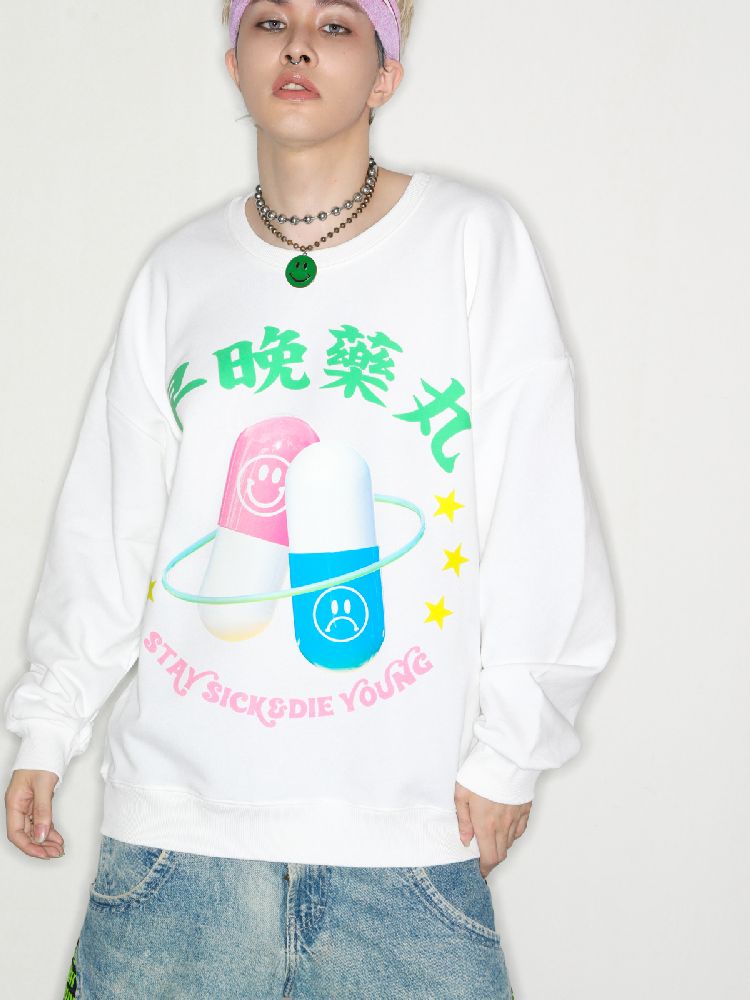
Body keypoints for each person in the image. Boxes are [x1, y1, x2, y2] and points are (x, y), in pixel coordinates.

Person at [3, 1, 617, 997]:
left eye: (336, 24)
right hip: (174, 846)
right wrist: (51, 719)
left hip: (403, 851)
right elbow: (110, 520)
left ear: (386, 74)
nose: (296, 43)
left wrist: (513, 748)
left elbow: (536, 500)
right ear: (234, 60)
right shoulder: (180, 273)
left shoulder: (469, 240)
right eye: (269, 20)